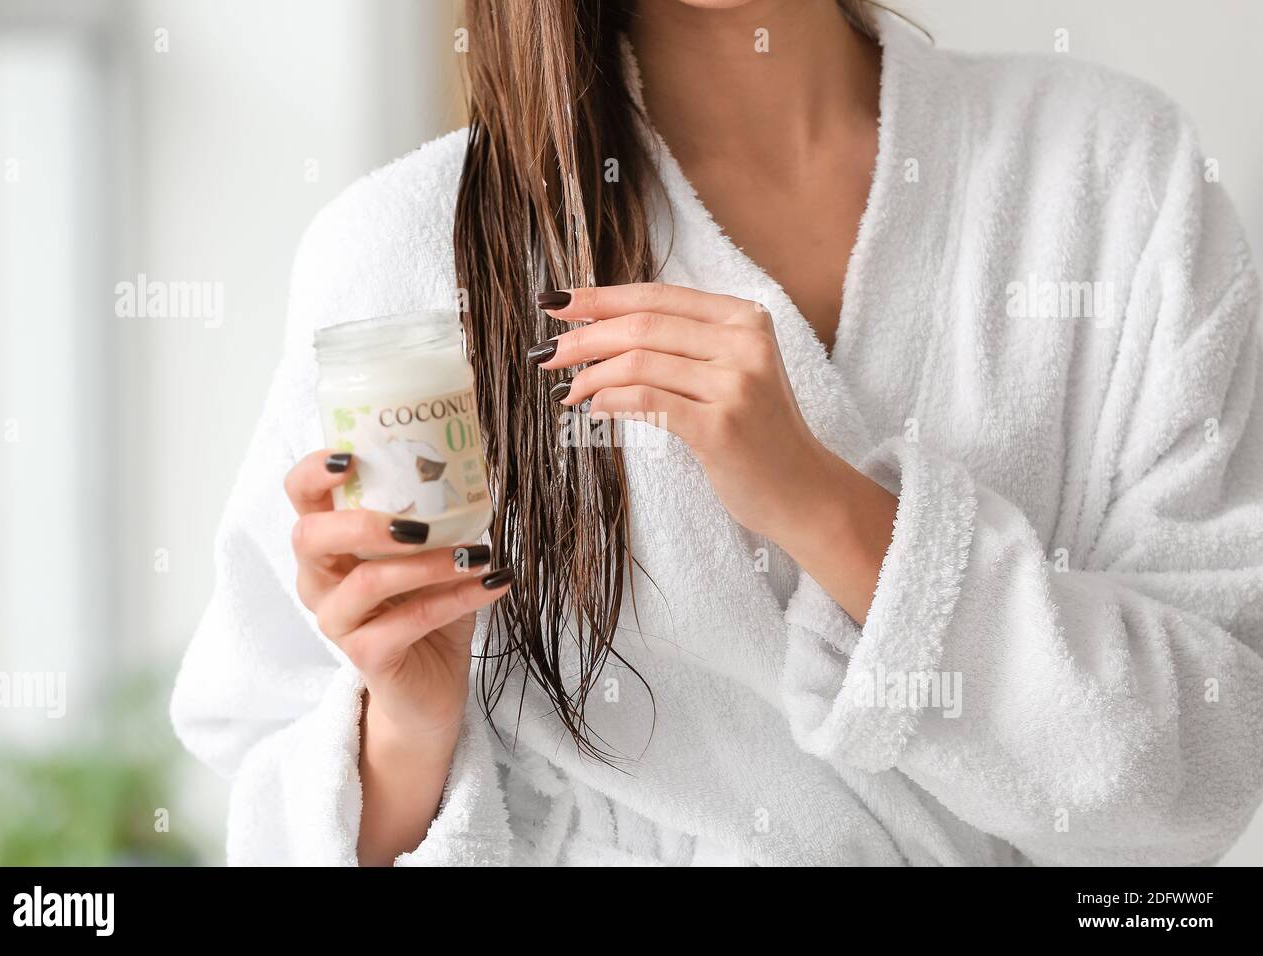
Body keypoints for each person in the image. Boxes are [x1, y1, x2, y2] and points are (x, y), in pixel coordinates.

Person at [172, 0, 1263, 865]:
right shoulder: (406, 252)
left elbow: (1209, 770)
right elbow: (277, 806)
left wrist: (824, 505)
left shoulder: (1111, 176)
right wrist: (405, 721)